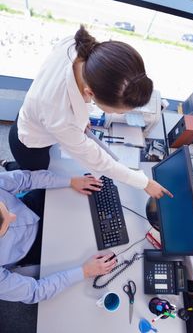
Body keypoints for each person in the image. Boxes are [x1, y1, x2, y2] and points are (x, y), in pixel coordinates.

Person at [3, 24, 172, 200]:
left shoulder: (77, 49)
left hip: (34, 115)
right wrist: (144, 182)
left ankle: (9, 165)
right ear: (90, 93)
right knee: (36, 179)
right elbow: (100, 161)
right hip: (30, 146)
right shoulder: (61, 117)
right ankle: (10, 168)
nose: (120, 114)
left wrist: (80, 119)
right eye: (117, 111)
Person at [0, 169, 116, 304]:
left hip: (32, 206)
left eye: (4, 208)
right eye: (5, 228)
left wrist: (70, 181)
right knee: (83, 249)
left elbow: (28, 179)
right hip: (31, 249)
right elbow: (34, 291)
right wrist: (85, 271)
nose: (14, 216)